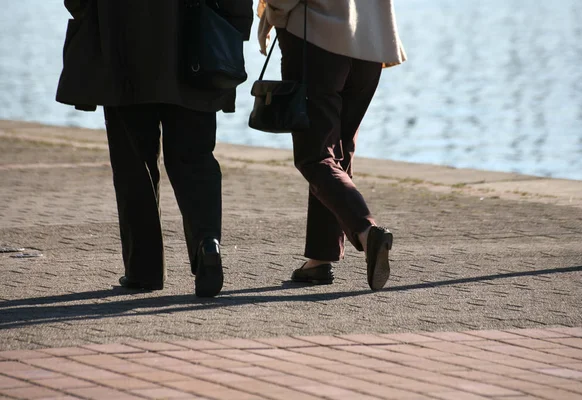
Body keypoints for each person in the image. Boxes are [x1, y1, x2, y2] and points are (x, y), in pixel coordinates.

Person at [56, 0, 254, 297]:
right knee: (194, 159)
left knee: (134, 163)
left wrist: (95, 20)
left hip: (123, 46)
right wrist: (234, 25)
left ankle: (143, 270)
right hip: (197, 44)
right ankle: (207, 243)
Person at [257, 0, 407, 291]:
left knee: (315, 155)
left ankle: (367, 230)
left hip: (318, 40)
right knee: (337, 152)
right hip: (369, 44)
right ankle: (319, 259)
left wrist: (272, 10)